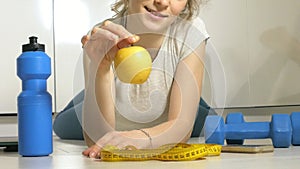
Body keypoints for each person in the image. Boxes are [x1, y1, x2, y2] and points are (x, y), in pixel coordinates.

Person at [53, 0, 215, 159]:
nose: (162, 2)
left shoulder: (190, 29)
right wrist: (100, 69)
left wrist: (141, 138)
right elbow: (98, 142)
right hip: (117, 105)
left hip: (168, 95)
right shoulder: (100, 39)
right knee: (60, 125)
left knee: (210, 121)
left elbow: (181, 127)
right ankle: (87, 94)